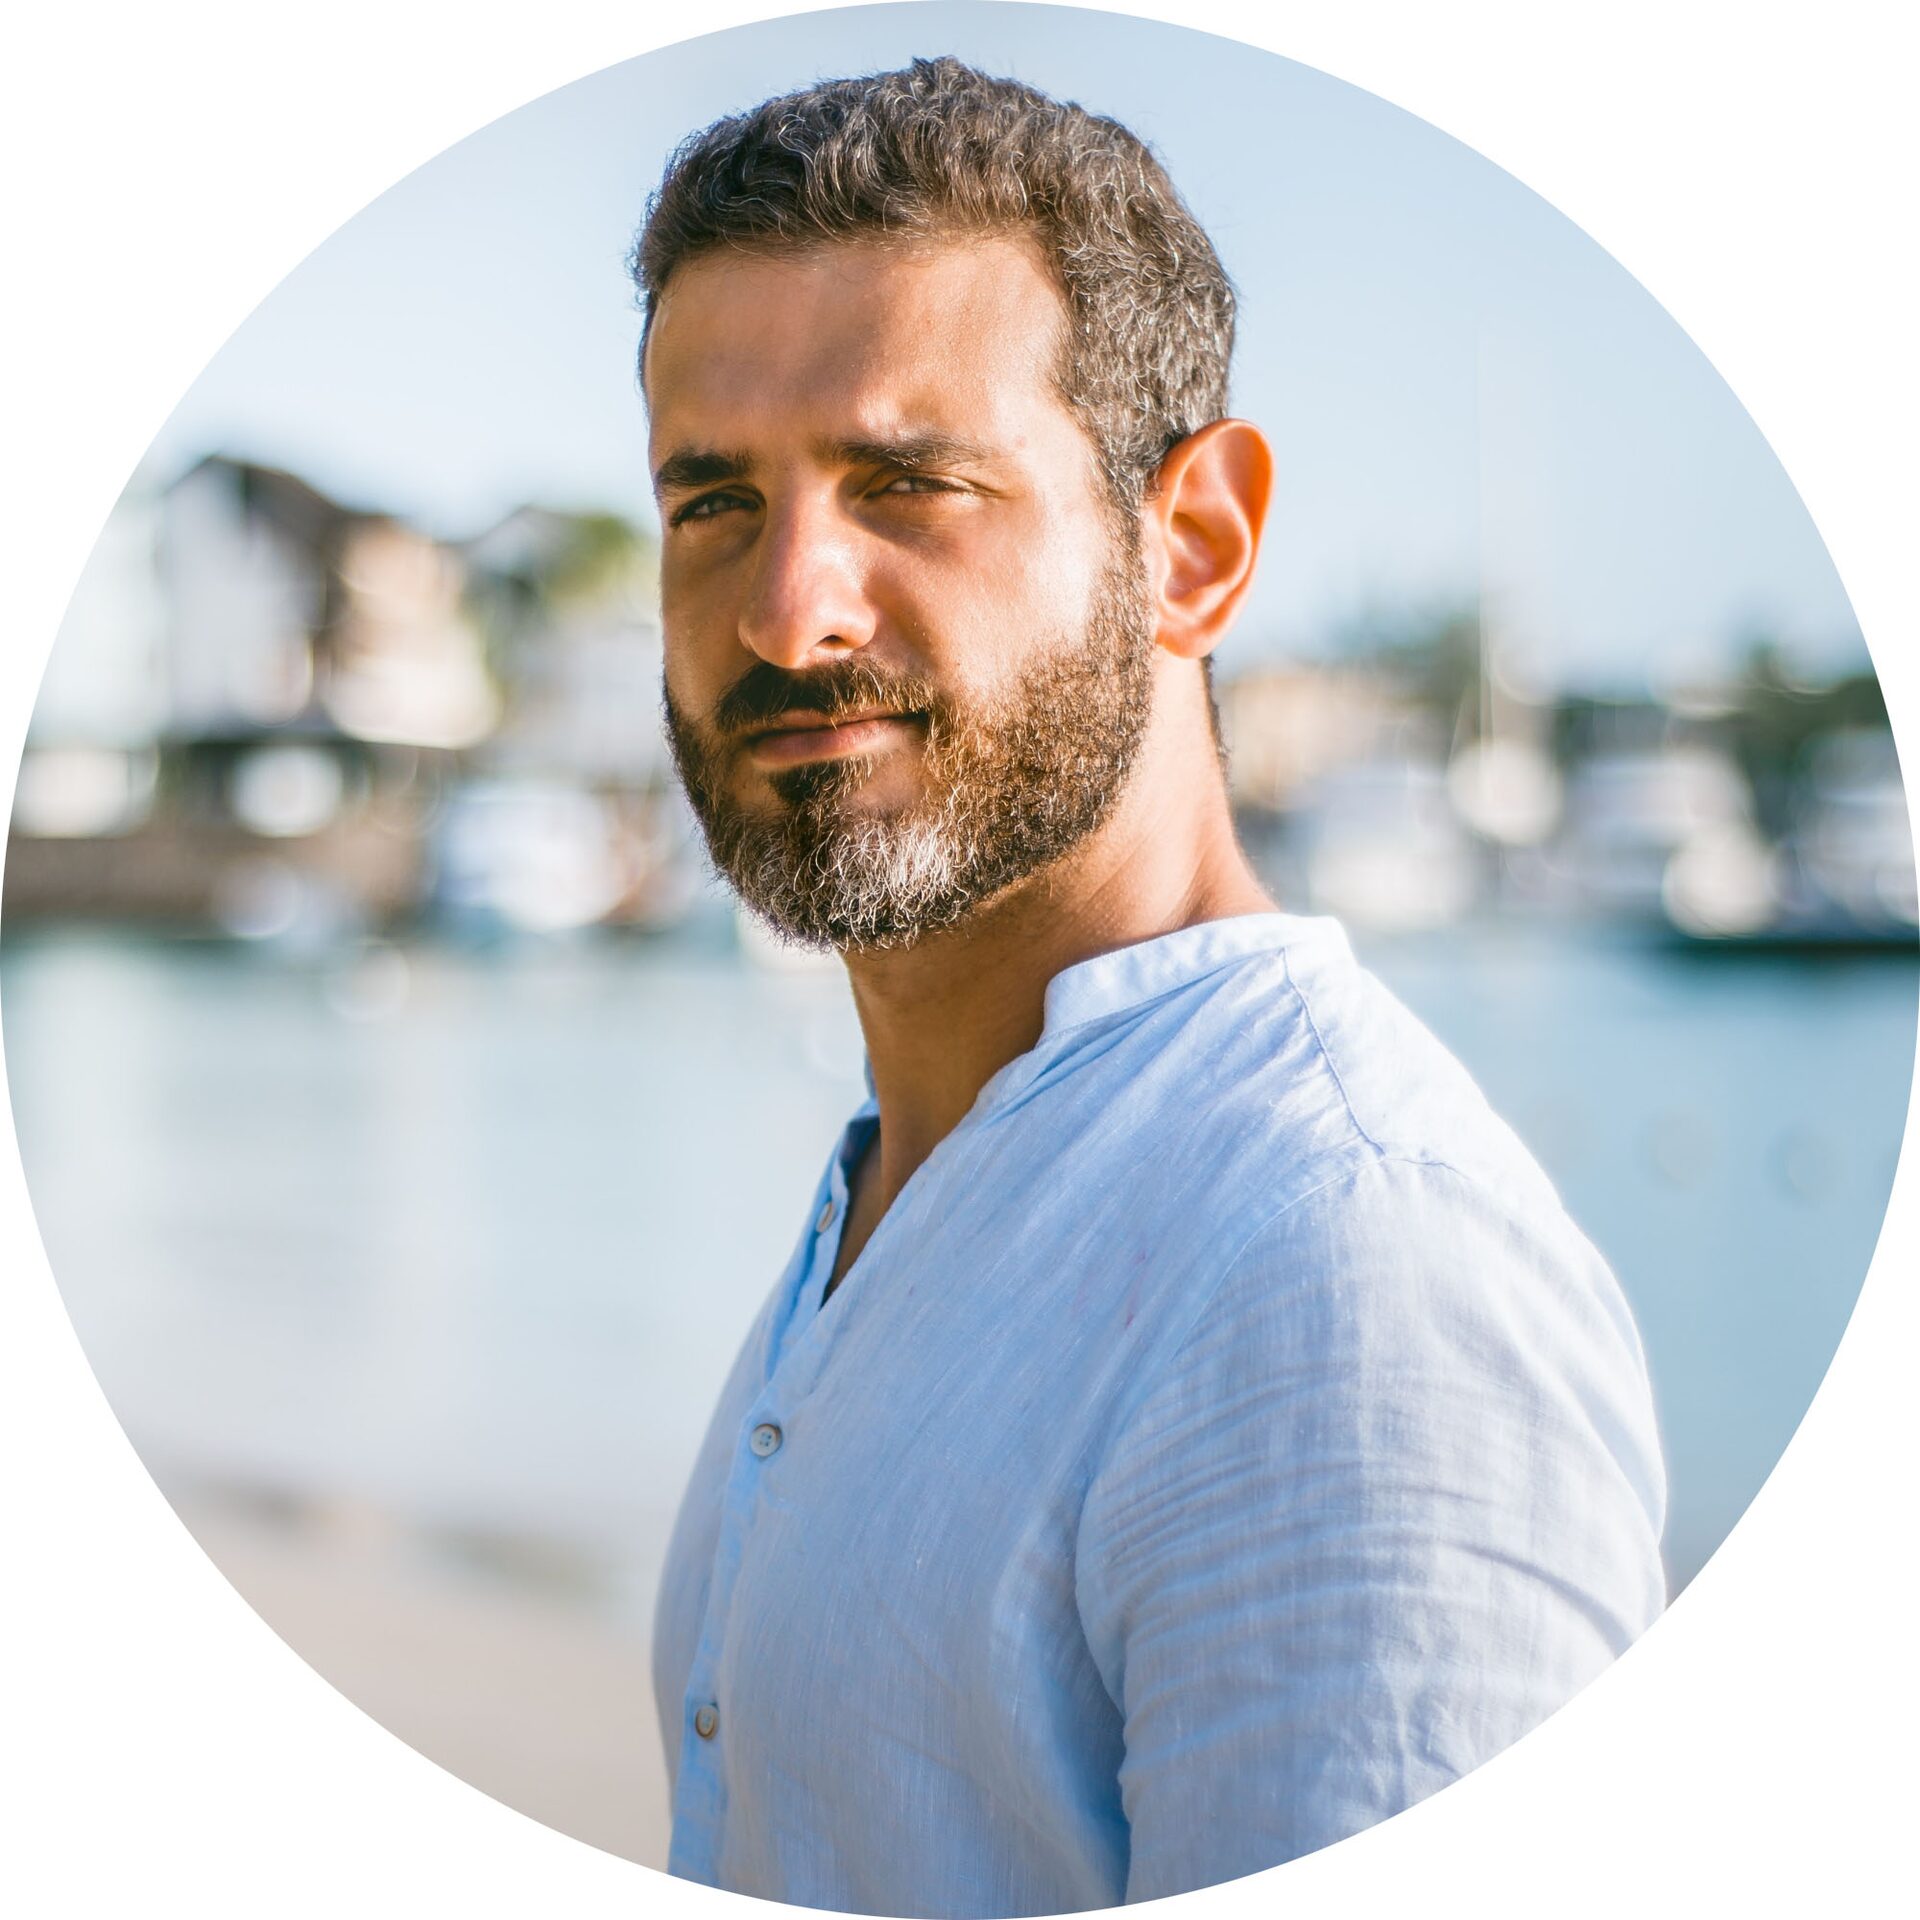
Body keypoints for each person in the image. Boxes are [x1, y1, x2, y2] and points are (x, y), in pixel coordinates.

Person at [636, 57, 1666, 1918]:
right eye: (714, 500)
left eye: (909, 483)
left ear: (1192, 546)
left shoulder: (1345, 1272)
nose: (790, 610)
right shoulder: (911, 1179)